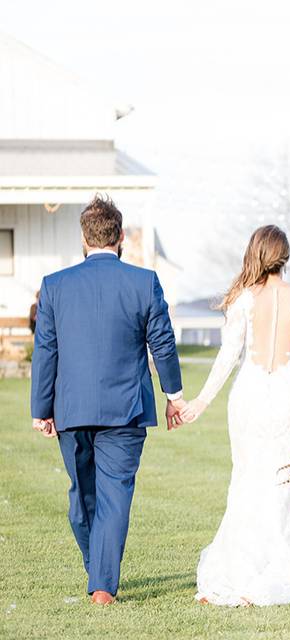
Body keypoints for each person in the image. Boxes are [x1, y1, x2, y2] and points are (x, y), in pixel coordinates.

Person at [30, 194, 184, 606]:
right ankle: (99, 570)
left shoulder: (57, 286)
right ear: (120, 237)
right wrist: (174, 396)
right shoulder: (140, 283)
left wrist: (41, 411)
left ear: (85, 238)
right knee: (95, 501)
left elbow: (45, 351)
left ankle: (102, 587)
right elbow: (164, 347)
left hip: (95, 412)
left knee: (96, 496)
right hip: (107, 409)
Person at [178, 225, 290, 607]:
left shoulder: (243, 300)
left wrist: (201, 401)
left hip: (250, 396)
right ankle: (272, 574)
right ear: (285, 257)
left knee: (247, 480)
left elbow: (227, 356)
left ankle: (237, 573)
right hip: (288, 397)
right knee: (282, 485)